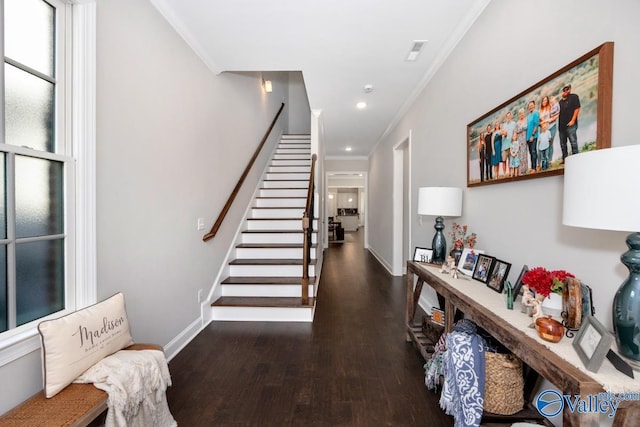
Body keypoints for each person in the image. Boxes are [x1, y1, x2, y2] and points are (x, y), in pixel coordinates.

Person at [558, 84, 581, 161]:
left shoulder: (574, 97)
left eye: (567, 89)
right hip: (561, 127)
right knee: (563, 144)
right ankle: (565, 159)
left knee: (573, 142)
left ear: (570, 89)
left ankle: (575, 158)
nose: (566, 91)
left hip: (570, 125)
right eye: (564, 89)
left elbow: (577, 108)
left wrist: (573, 120)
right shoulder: (560, 102)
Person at [501, 111, 516, 178]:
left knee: (510, 160)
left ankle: (510, 172)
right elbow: (502, 133)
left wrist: (514, 139)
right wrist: (504, 134)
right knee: (504, 160)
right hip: (504, 146)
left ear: (511, 116)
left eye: (509, 116)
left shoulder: (514, 123)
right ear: (506, 117)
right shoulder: (503, 125)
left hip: (511, 145)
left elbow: (515, 133)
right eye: (507, 116)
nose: (508, 117)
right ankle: (504, 173)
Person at [514, 108, 529, 176]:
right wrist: (517, 143)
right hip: (520, 140)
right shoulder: (517, 123)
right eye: (520, 113)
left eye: (522, 113)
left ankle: (525, 169)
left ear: (524, 113)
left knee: (525, 154)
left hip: (525, 139)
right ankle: (521, 171)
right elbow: (516, 133)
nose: (521, 114)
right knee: (520, 156)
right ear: (519, 115)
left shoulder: (526, 120)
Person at [525, 100, 539, 172]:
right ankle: (532, 167)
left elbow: (536, 125)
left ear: (534, 105)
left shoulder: (536, 113)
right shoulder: (528, 116)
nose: (530, 107)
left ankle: (534, 168)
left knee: (533, 151)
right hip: (528, 137)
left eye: (531, 105)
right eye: (529, 106)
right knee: (531, 152)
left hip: (533, 136)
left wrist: (532, 135)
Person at [548, 96, 560, 163]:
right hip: (546, 128)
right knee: (546, 144)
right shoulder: (550, 107)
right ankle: (547, 159)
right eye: (551, 101)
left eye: (553, 101)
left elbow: (557, 115)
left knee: (551, 142)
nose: (552, 102)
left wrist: (551, 120)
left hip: (552, 126)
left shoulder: (557, 106)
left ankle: (550, 160)